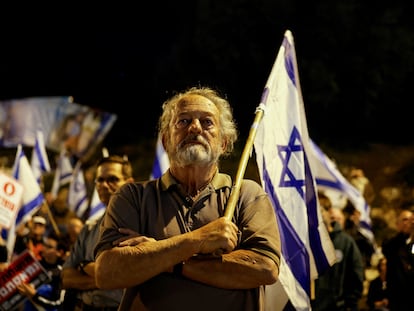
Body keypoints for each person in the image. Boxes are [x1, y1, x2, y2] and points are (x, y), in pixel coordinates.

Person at [94, 86, 281, 311]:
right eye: (183, 121)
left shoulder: (247, 195)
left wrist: (163, 259)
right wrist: (199, 238)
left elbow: (264, 268)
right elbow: (107, 273)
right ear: (166, 141)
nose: (194, 128)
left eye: (207, 122)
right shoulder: (133, 196)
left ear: (223, 143)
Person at [61, 155, 134, 311]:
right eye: (99, 180)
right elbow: (66, 278)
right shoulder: (88, 228)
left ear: (129, 183)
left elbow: (135, 275)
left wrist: (86, 270)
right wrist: (108, 277)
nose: (104, 185)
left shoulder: (140, 225)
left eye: (112, 179)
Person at [311, 191, 364, 311]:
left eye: (319, 210)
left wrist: (349, 304)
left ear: (328, 212)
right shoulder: (307, 241)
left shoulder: (346, 242)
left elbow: (356, 276)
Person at [17, 231, 69, 311]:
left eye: (49, 247)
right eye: (44, 244)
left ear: (59, 252)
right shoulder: (35, 265)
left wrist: (35, 296)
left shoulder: (62, 273)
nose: (43, 248)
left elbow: (58, 302)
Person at [381, 207, 414, 311]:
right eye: (405, 219)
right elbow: (388, 249)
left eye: (411, 220)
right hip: (397, 298)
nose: (408, 223)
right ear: (397, 224)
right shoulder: (392, 243)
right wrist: (403, 233)